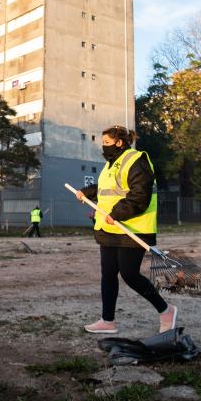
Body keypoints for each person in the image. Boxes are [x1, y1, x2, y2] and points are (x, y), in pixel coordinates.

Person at [76, 126, 177, 335]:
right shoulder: (111, 165)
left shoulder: (136, 160)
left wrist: (117, 213)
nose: (103, 147)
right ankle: (108, 320)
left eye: (106, 143)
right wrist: (87, 192)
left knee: (130, 274)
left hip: (132, 227)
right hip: (109, 227)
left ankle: (166, 311)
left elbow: (140, 196)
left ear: (119, 142)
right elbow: (106, 188)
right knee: (108, 273)